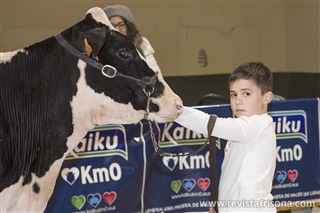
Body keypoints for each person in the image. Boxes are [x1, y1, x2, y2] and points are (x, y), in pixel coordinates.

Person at [175, 62, 277, 212]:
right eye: (233, 94)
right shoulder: (246, 127)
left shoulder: (258, 124)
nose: (238, 100)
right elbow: (234, 177)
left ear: (267, 97)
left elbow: (208, 124)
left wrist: (175, 111)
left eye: (246, 93)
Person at [103, 5, 161, 73]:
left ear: (129, 27)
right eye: (112, 25)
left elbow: (155, 73)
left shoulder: (142, 44)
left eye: (121, 25)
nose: (117, 29)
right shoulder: (101, 48)